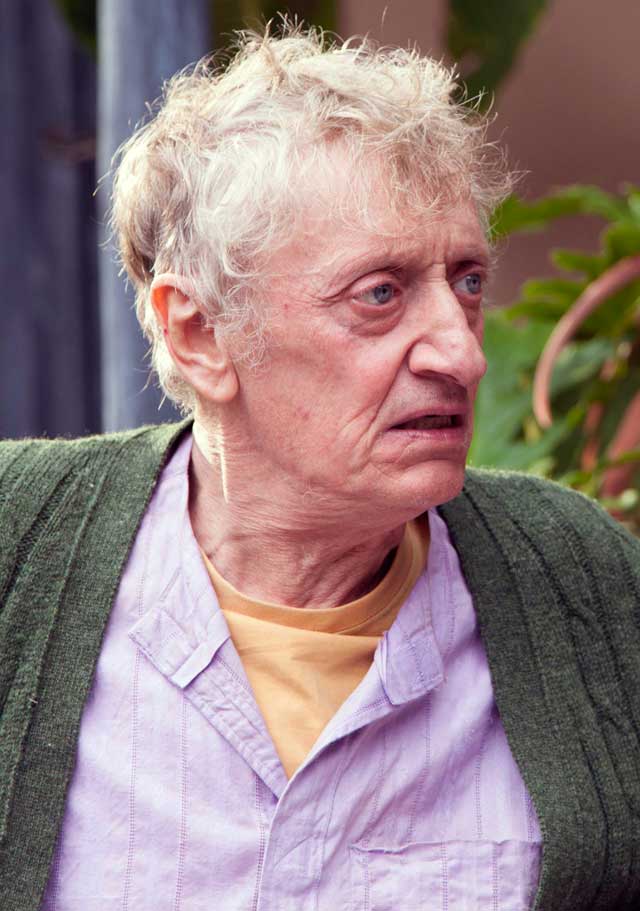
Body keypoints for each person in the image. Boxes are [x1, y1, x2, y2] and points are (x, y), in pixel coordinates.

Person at [1, 25, 639, 911]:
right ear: (199, 332)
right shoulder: (18, 551)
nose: (461, 353)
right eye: (379, 294)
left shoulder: (583, 585)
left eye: (466, 282)